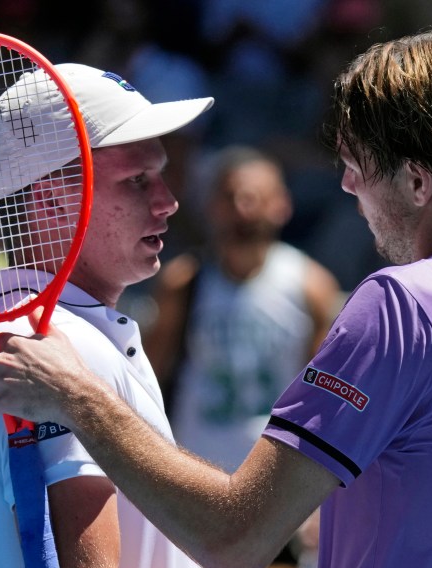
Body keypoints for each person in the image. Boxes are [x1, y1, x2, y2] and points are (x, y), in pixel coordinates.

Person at [0, 27, 432, 568]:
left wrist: (79, 398)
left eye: (358, 163)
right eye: (139, 180)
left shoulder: (405, 303)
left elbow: (234, 541)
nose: (345, 185)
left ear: (419, 181)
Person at [0, 63, 216, 568]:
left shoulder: (24, 334)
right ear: (51, 199)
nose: (168, 201)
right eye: (136, 180)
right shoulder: (54, 348)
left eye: (160, 175)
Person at [145, 144, 340, 472]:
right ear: (211, 207)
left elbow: (322, 398)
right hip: (193, 473)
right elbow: (150, 376)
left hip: (275, 480)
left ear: (282, 205)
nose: (242, 209)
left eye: (255, 198)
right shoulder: (183, 283)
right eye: (231, 197)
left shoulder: (311, 287)